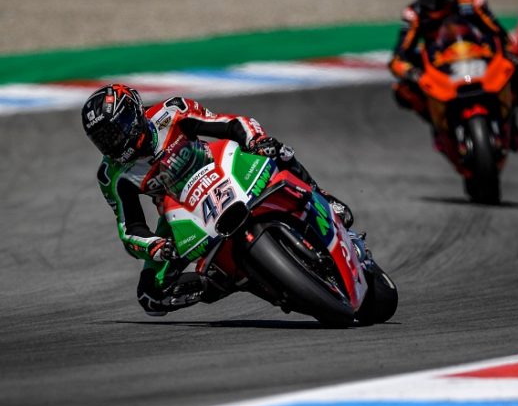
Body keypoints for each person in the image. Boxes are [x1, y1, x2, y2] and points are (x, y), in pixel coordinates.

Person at [82, 84, 353, 316]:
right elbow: (129, 228)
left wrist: (256, 140)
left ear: (133, 115)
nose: (111, 144)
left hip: (221, 168)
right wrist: (155, 246)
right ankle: (233, 279)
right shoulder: (112, 175)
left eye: (114, 132)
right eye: (102, 140)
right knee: (150, 296)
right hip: (180, 209)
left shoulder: (172, 111)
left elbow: (231, 124)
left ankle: (321, 195)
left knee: (276, 150)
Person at [389, 0, 518, 152]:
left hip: (476, 54)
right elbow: (399, 55)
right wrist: (411, 72)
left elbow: (497, 32)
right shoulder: (414, 14)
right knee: (402, 90)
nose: (432, 2)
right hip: (439, 62)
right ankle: (437, 127)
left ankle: (511, 120)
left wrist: (510, 52)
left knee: (515, 67)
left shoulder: (471, 1)